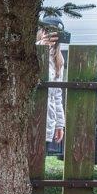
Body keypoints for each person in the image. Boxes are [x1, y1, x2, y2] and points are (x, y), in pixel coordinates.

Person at [38, 16, 67, 154]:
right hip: (31, 117)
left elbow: (57, 95)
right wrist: (40, 47)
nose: (50, 34)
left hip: (47, 119)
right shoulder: (32, 51)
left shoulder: (59, 60)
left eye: (54, 32)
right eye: (47, 30)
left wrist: (60, 125)